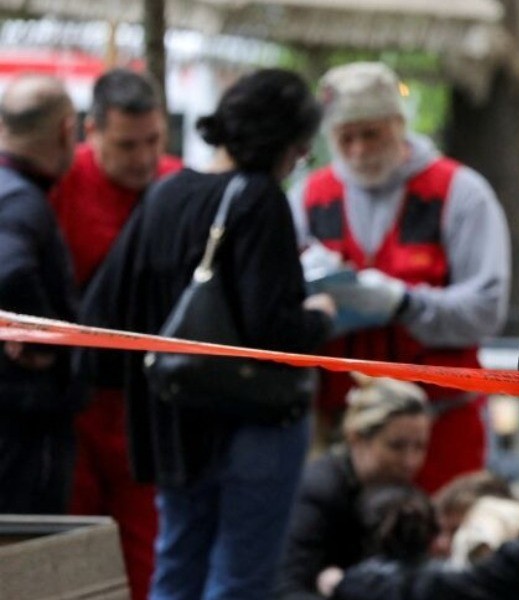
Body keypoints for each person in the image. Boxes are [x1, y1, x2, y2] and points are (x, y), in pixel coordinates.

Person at [82, 68, 336, 600]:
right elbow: (275, 330)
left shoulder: (166, 193)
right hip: (252, 422)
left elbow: (107, 308)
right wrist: (321, 313)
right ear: (284, 144)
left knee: (175, 566)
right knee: (241, 578)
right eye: (301, 149)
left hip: (171, 419)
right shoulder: (259, 198)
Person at [293, 61, 510, 494]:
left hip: (438, 423)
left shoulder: (460, 194)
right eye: (344, 138)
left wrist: (405, 303)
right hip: (339, 427)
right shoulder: (308, 198)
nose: (357, 150)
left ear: (398, 124)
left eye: (370, 134)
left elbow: (487, 308)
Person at [49, 68, 182, 600]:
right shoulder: (61, 184)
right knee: (71, 544)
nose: (143, 158)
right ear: (90, 132)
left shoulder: (177, 184)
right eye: (127, 145)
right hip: (73, 401)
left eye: (153, 141)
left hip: (148, 404)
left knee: (147, 549)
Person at [0, 74, 80, 514]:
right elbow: (9, 270)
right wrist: (35, 336)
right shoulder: (22, 203)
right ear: (68, 130)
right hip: (21, 424)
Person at [278, 374, 432, 600]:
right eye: (396, 446)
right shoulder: (318, 491)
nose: (410, 461)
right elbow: (285, 587)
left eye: (420, 447)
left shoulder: (405, 493)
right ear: (356, 438)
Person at [324, 485, 519, 600]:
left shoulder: (516, 561)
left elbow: (442, 589)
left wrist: (347, 582)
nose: (440, 545)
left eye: (452, 530)